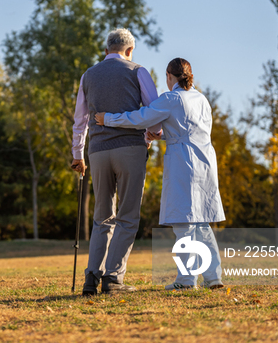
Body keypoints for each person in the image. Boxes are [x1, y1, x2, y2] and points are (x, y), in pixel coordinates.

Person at [94, 58, 225, 290]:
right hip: (205, 161)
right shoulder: (202, 99)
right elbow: (191, 129)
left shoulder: (171, 99)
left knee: (183, 222)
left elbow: (140, 117)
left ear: (169, 76)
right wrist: (163, 135)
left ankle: (186, 280)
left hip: (184, 163)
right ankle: (213, 277)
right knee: (201, 222)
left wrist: (109, 119)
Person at [72, 28, 162, 295]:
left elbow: (81, 120)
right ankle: (112, 279)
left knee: (102, 216)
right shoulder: (138, 71)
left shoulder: (88, 75)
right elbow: (154, 113)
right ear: (130, 50)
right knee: (128, 216)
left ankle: (91, 277)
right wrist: (152, 134)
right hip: (130, 150)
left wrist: (78, 155)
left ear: (105, 50)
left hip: (97, 152)